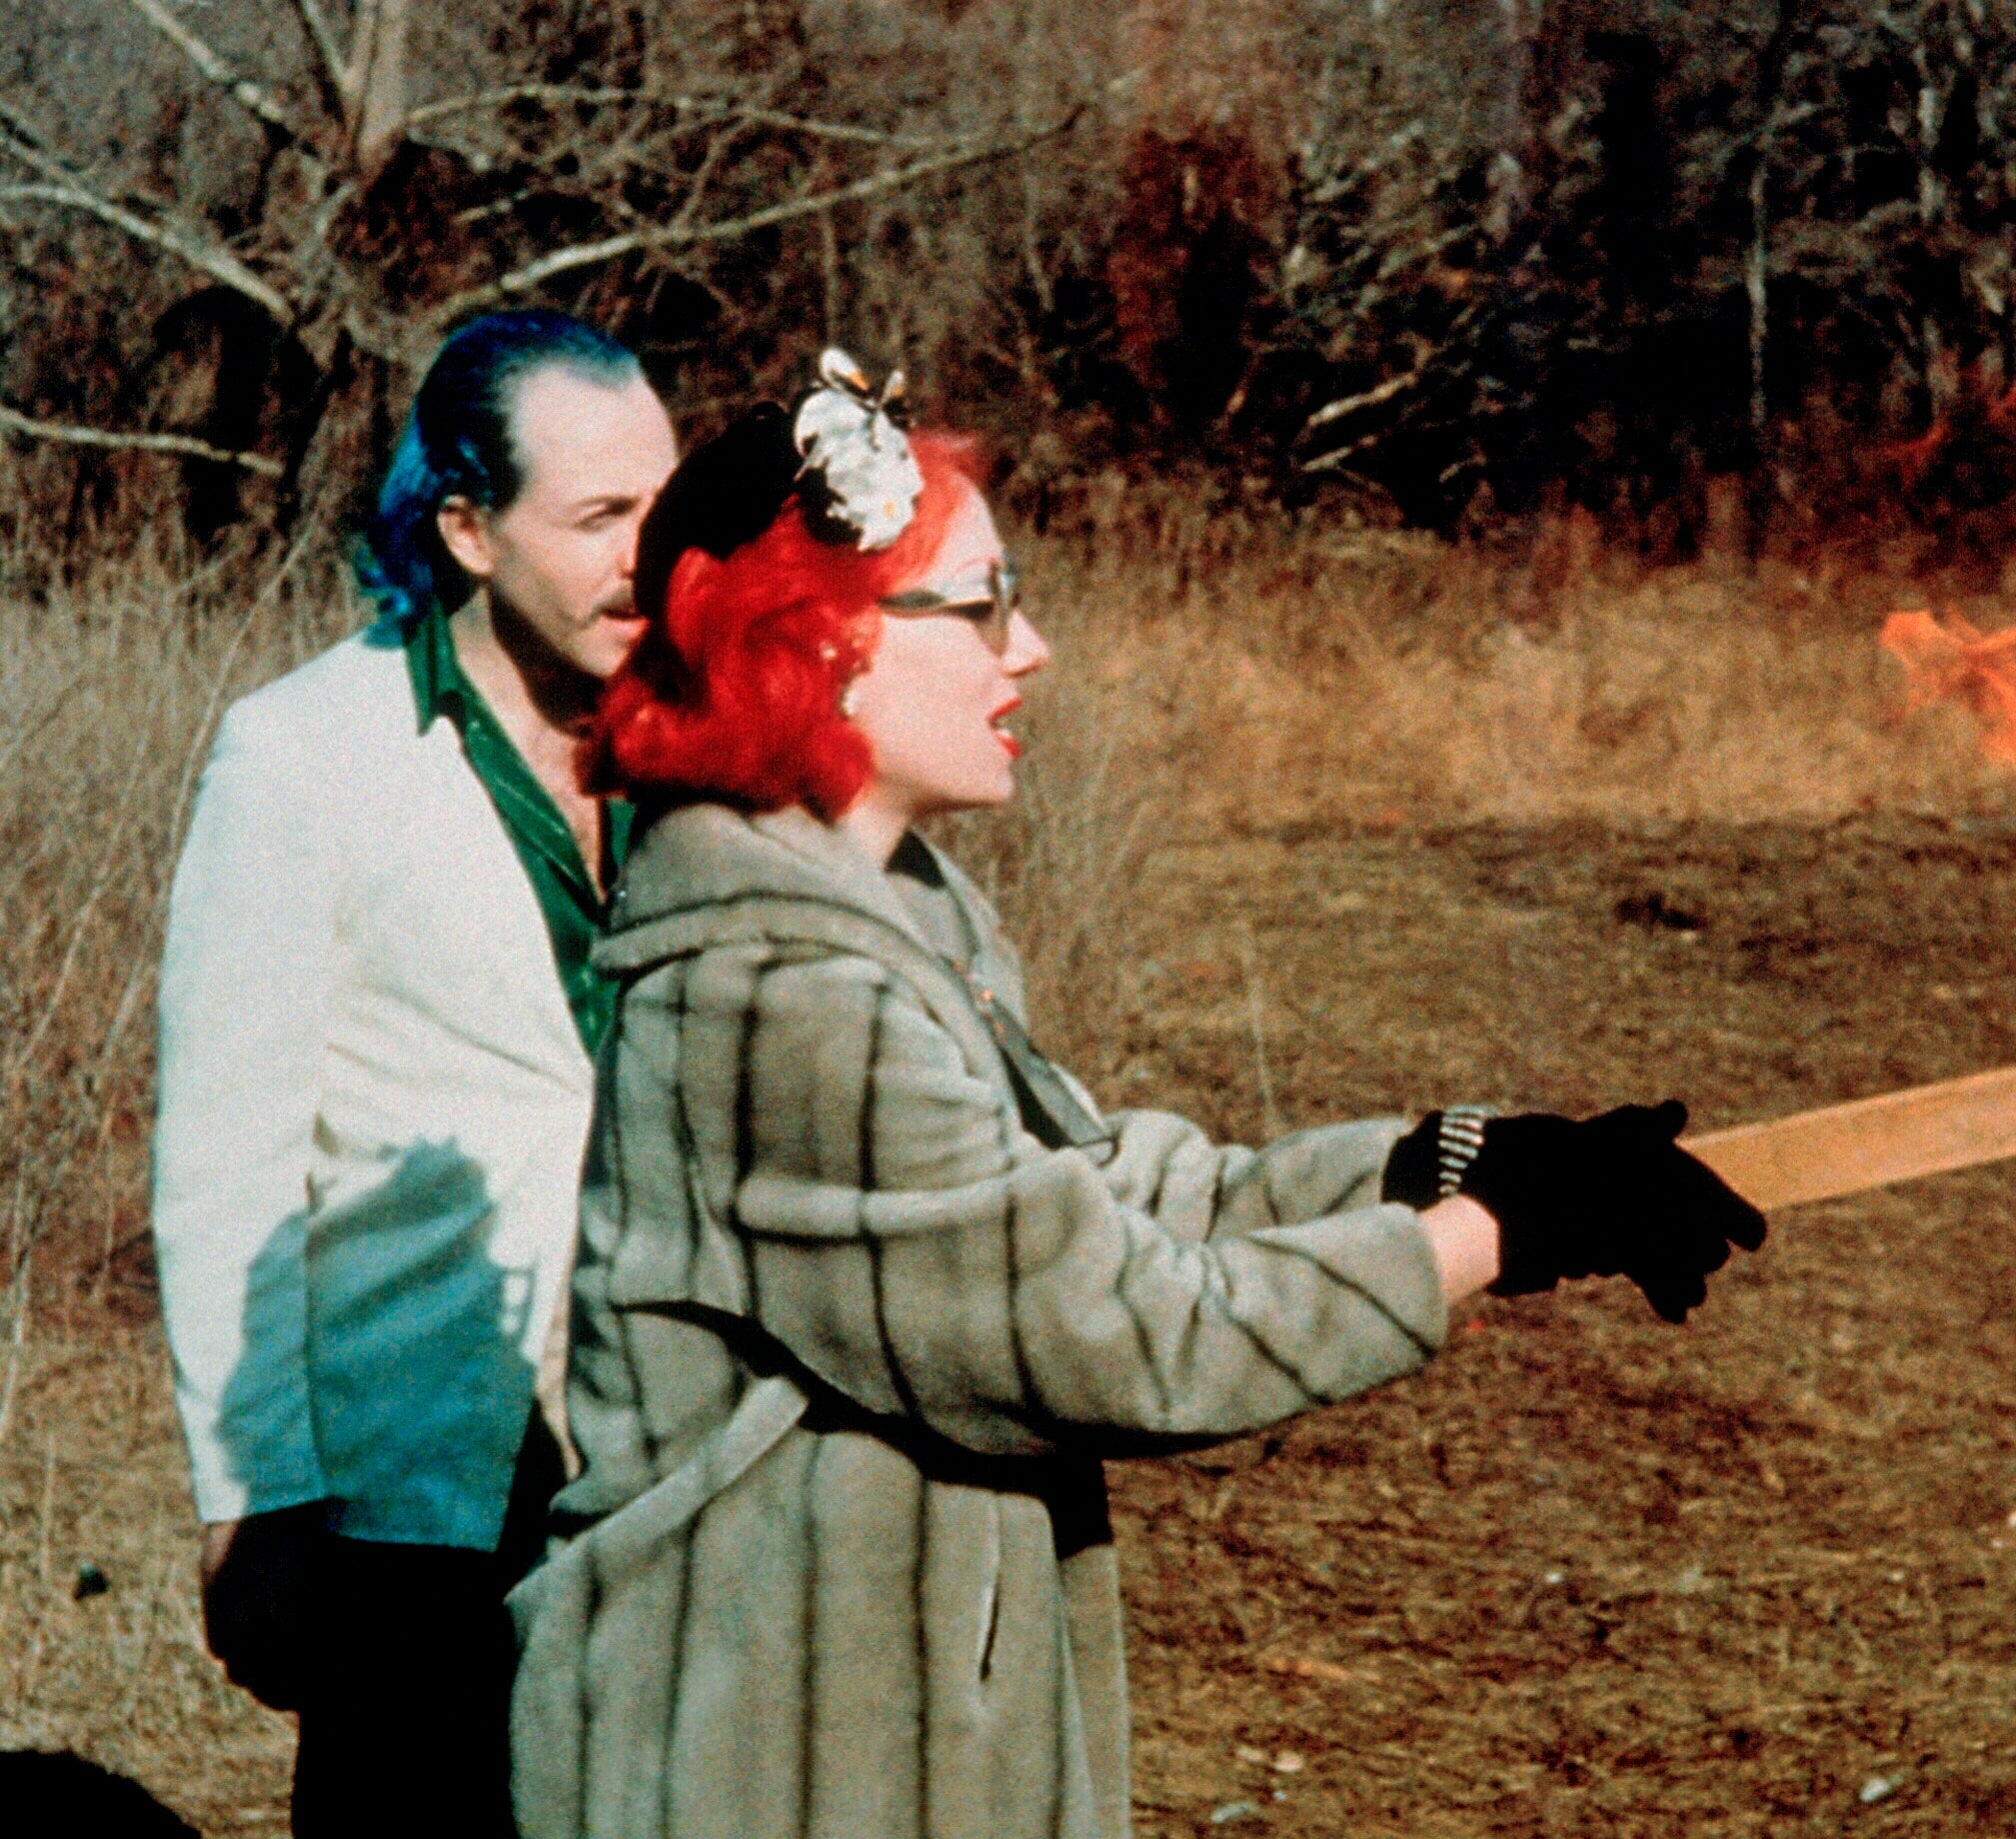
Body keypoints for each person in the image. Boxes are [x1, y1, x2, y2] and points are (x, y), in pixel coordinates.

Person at [506, 355, 1769, 1839]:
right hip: (746, 1763)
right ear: (825, 642)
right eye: (979, 605)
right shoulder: (775, 998)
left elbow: (1098, 1192)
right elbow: (1105, 1333)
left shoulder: (889, 907)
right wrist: (1490, 1240)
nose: (1026, 647)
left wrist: (1454, 1161)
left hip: (875, 1741)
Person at [150, 309, 678, 1836]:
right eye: (598, 519)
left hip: (658, 1452)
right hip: (421, 1486)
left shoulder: (694, 751)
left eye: (663, 503)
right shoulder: (304, 753)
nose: (652, 556)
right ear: (465, 528)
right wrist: (254, 1503)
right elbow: (228, 1160)